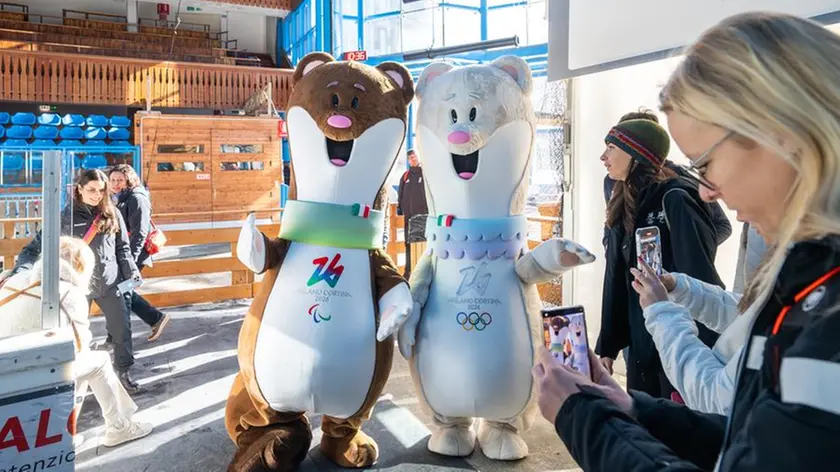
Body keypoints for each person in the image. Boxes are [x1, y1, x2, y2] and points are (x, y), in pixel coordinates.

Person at [535, 11, 840, 471]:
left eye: (705, 163)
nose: (707, 191)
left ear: (781, 132)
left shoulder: (826, 316)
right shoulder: (807, 284)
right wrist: (634, 410)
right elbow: (749, 436)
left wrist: (585, 419)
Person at [595, 117, 723, 400]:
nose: (603, 156)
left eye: (611, 147)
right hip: (641, 337)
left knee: (677, 425)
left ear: (635, 154)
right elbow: (616, 276)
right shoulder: (622, 200)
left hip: (677, 337)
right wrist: (608, 346)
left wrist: (706, 359)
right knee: (645, 417)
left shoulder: (675, 198)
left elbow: (701, 279)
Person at [0, 237, 153, 446]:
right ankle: (118, 426)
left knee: (76, 363)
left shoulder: (14, 280)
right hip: (34, 370)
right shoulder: (68, 294)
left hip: (7, 366)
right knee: (98, 362)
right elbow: (80, 345)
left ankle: (65, 432)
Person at [12, 169, 144, 393]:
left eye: (101, 191)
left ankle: (123, 372)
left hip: (110, 284)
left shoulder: (112, 213)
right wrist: (20, 272)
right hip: (78, 287)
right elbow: (34, 249)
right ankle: (75, 377)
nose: (97, 195)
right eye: (91, 190)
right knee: (76, 333)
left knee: (121, 329)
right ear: (79, 189)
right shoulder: (65, 217)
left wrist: (131, 271)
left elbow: (122, 247)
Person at [602, 110, 732, 249]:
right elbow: (612, 225)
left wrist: (680, 252)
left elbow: (722, 226)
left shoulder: (679, 180)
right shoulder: (611, 181)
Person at [109, 165, 170, 343]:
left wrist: (131, 263)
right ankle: (155, 318)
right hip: (127, 255)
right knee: (121, 292)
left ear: (129, 180)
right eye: (112, 180)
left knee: (121, 293)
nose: (115, 184)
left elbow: (140, 234)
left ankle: (116, 338)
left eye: (119, 180)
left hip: (137, 255)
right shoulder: (121, 198)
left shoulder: (136, 198)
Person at [397, 149, 428, 277]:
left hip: (422, 216)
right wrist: (400, 208)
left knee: (422, 243)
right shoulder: (405, 176)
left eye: (414, 156)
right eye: (410, 158)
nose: (413, 159)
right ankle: (408, 271)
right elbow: (401, 194)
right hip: (408, 217)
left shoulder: (425, 174)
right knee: (408, 244)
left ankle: (423, 272)